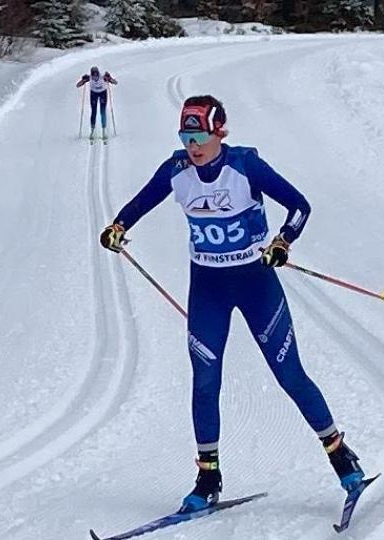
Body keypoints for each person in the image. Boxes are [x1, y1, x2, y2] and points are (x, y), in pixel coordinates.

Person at [99, 95, 367, 512]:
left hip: (256, 283)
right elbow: (139, 204)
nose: (193, 145)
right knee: (205, 382)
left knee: (290, 375)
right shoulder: (176, 171)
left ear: (219, 132)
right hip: (207, 287)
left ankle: (341, 456)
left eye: (200, 135)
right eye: (186, 136)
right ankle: (208, 478)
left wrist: (283, 241)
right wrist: (117, 226)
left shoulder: (245, 166)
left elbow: (300, 206)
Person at [76, 66, 118, 141]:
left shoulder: (103, 76)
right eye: (93, 77)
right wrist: (83, 81)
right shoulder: (89, 78)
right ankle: (92, 130)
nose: (95, 78)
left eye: (96, 76)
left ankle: (104, 131)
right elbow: (78, 85)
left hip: (103, 93)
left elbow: (115, 82)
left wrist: (109, 78)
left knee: (102, 112)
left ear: (98, 74)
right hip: (93, 94)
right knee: (93, 112)